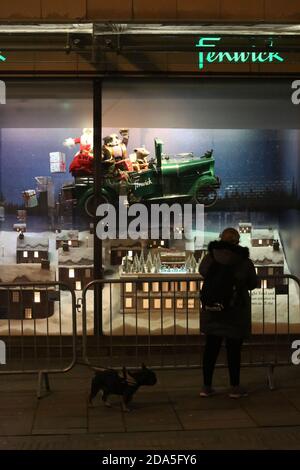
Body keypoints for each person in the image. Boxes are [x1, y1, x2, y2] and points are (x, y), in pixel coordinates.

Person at [199, 227, 257, 398]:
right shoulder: (244, 261)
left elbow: (202, 271)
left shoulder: (210, 257)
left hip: (213, 311)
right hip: (235, 312)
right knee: (233, 350)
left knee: (211, 349)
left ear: (220, 239)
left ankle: (206, 387)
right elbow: (253, 283)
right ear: (237, 241)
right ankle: (234, 387)